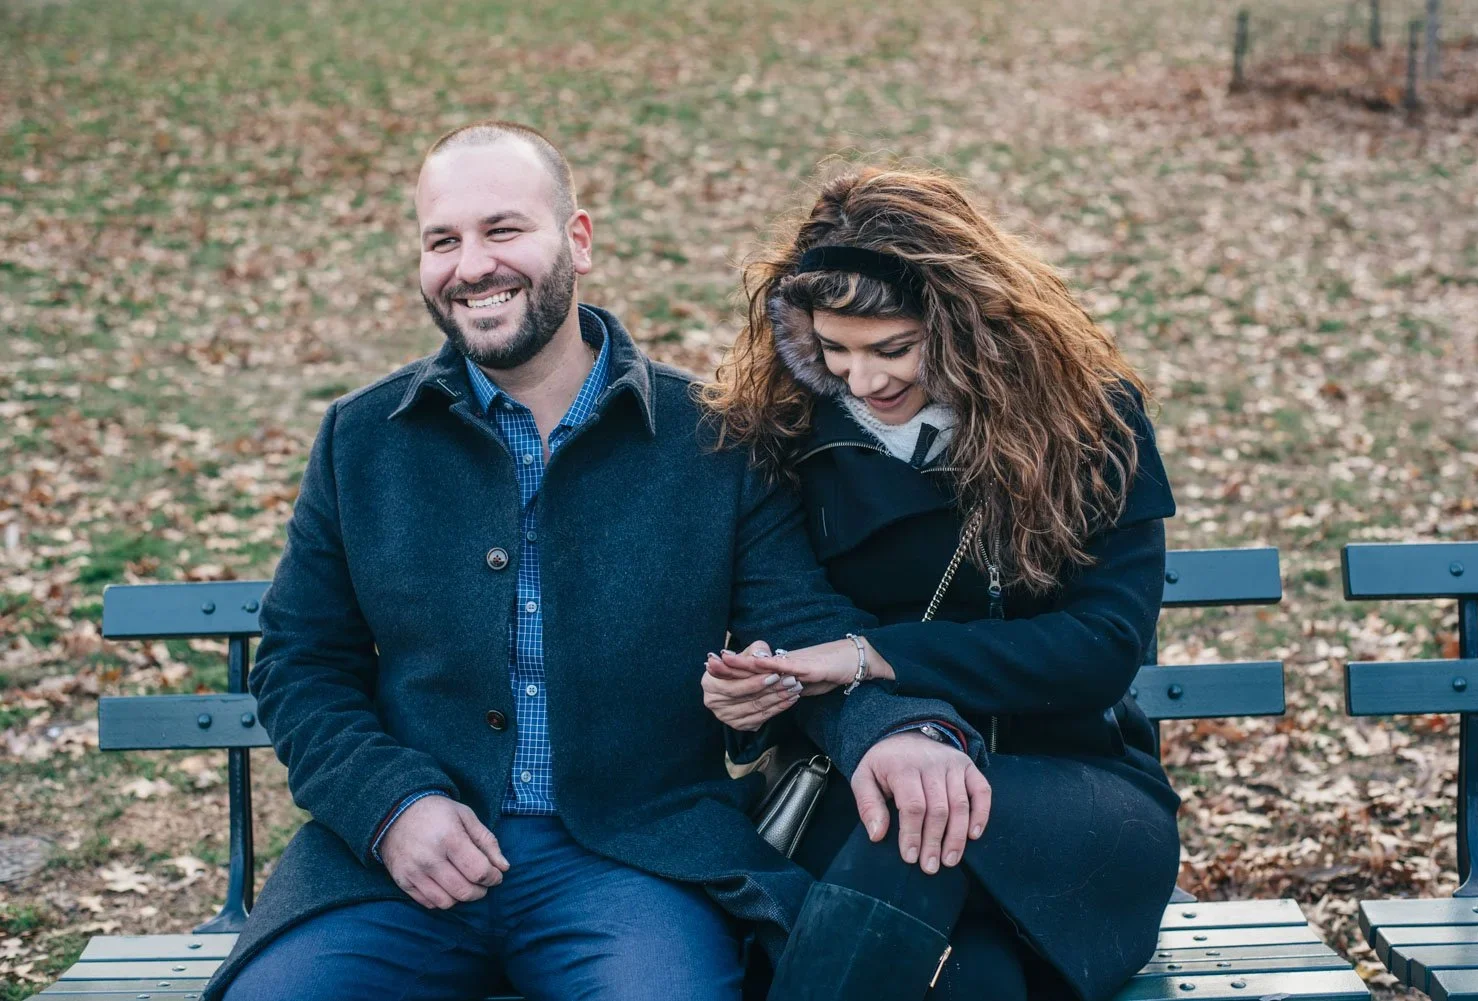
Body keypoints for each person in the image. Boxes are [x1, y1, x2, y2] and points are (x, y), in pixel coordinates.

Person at [206, 122, 993, 1001]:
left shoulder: (711, 438)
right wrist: (390, 805)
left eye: (503, 230)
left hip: (635, 860)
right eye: (443, 240)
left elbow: (799, 629)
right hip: (397, 867)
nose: (472, 265)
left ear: (577, 241)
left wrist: (895, 728)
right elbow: (301, 664)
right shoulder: (363, 439)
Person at [699, 165, 1181, 1001]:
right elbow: (775, 619)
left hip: (1079, 794)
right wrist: (757, 691)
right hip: (858, 787)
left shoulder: (1091, 424)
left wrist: (871, 657)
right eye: (834, 350)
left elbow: (1101, 651)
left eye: (893, 348)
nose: (864, 381)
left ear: (966, 323)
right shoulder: (784, 433)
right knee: (971, 970)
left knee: (927, 819)